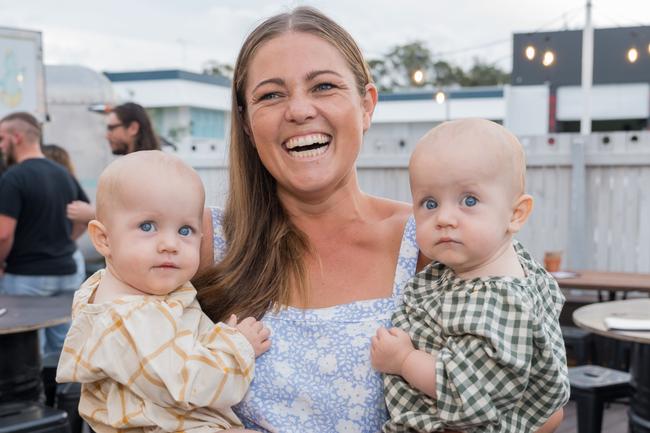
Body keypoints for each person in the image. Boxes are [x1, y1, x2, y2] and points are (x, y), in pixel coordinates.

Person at [194, 7, 563, 433]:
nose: (298, 110)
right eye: (271, 95)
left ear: (366, 105)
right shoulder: (200, 241)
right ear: (244, 121)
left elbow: (541, 409)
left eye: (324, 86)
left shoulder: (435, 237)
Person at [371, 119, 570, 432]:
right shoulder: (482, 269)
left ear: (516, 214)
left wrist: (404, 360)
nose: (445, 218)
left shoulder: (497, 304)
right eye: (430, 203)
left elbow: (467, 396)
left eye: (469, 201)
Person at [56, 151, 269, 433]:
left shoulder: (128, 289)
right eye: (147, 226)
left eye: (185, 230)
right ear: (103, 239)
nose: (170, 243)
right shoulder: (131, 319)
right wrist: (237, 345)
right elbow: (191, 385)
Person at [0, 112, 89, 357]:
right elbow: (83, 216)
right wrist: (66, 241)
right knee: (65, 349)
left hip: (25, 278)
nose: (0, 145)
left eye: (1, 138)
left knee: (28, 352)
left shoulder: (13, 178)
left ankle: (37, 397)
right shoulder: (63, 174)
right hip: (66, 273)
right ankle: (67, 395)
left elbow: (3, 234)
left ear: (16, 137)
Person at [67, 101, 161, 226]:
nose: (107, 135)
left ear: (133, 128)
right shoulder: (139, 165)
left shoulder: (145, 168)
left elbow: (142, 217)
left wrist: (92, 215)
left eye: (111, 128)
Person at [42, 144, 88, 287]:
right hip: (70, 255)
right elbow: (82, 220)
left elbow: (84, 218)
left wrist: (65, 240)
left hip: (53, 260)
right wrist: (68, 239)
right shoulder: (70, 183)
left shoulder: (49, 186)